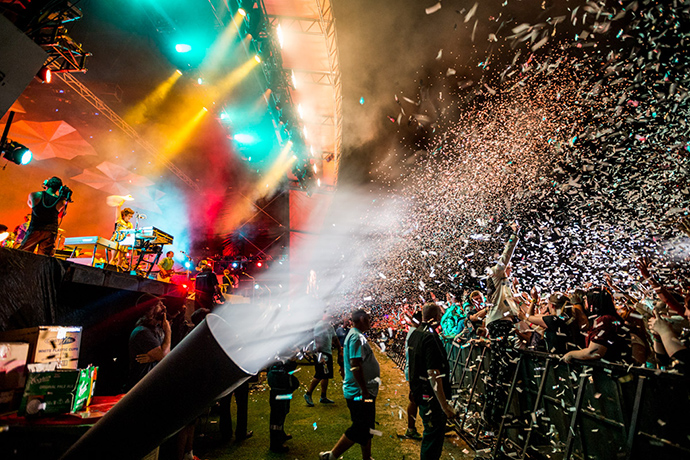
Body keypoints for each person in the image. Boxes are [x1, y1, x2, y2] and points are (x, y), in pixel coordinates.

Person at [319, 309, 380, 460]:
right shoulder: (355, 337)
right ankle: (332, 456)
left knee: (367, 427)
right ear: (360, 319)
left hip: (362, 391)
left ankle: (367, 457)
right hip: (359, 393)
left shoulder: (357, 336)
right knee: (360, 427)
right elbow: (355, 364)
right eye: (367, 319)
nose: (370, 321)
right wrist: (364, 390)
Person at [482, 222, 521, 428]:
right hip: (499, 327)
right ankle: (491, 415)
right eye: (506, 267)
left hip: (503, 326)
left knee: (501, 369)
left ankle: (493, 413)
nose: (509, 268)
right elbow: (505, 258)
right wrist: (514, 235)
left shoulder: (505, 286)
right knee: (499, 369)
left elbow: (513, 310)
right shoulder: (496, 274)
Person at [407, 303, 457, 460]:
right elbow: (433, 373)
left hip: (421, 392)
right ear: (436, 317)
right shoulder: (430, 337)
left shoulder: (415, 334)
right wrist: (445, 406)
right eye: (440, 316)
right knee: (432, 438)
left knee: (430, 435)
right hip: (431, 397)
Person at [563, 287, 632, 364]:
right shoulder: (608, 318)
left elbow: (594, 352)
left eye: (586, 300)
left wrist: (571, 354)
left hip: (612, 371)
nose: (584, 302)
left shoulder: (605, 320)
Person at [125, 295, 171, 391]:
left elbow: (165, 355)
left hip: (151, 385)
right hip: (140, 388)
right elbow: (164, 356)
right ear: (150, 310)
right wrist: (168, 332)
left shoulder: (157, 329)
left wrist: (153, 358)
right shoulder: (142, 332)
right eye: (160, 305)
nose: (164, 307)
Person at [19, 177, 68, 256]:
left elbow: (31, 206)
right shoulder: (61, 201)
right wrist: (64, 198)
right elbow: (61, 215)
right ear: (59, 189)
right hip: (50, 231)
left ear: (46, 184)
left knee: (23, 255)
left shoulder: (34, 195)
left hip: (35, 228)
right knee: (44, 258)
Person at [304, 313, 344, 406]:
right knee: (319, 374)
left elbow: (335, 338)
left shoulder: (329, 326)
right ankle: (308, 394)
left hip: (327, 352)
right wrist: (320, 356)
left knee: (326, 375)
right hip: (320, 353)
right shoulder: (319, 326)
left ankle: (323, 396)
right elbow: (317, 341)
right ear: (323, 315)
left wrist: (339, 349)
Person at [267, 356, 300, 453]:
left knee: (283, 411)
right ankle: (275, 444)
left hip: (283, 389)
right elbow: (286, 368)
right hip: (280, 389)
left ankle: (280, 435)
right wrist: (292, 361)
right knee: (277, 416)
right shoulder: (277, 360)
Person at [403, 310, 423, 439]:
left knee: (415, 399)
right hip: (414, 371)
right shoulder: (415, 333)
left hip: (413, 371)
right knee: (414, 399)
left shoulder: (413, 331)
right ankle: (410, 428)